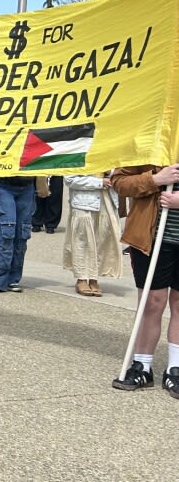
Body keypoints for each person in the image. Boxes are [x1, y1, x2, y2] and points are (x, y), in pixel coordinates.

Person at [110, 163, 179, 392]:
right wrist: (155, 180)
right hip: (151, 237)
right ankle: (142, 364)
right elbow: (119, 182)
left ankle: (175, 367)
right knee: (151, 303)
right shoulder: (150, 142)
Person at [0, 176, 49, 295]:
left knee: (22, 233)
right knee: (4, 229)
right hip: (0, 182)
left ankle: (13, 276)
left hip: (27, 184)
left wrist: (41, 181)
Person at [63, 172, 122, 297]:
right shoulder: (77, 152)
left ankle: (94, 278)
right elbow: (69, 179)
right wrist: (99, 182)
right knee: (82, 241)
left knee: (102, 240)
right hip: (83, 201)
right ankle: (82, 278)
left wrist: (110, 173)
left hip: (107, 199)